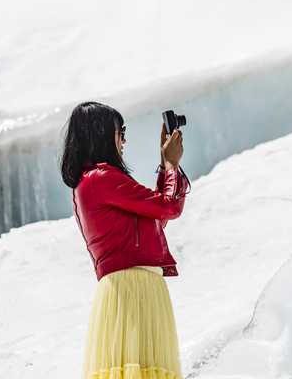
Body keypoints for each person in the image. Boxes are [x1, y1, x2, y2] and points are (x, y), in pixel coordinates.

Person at [59, 101, 189, 379]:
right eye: (121, 132)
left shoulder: (90, 181)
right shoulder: (101, 178)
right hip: (133, 288)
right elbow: (169, 207)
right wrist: (170, 166)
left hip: (128, 287)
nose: (124, 140)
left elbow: (155, 215)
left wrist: (167, 167)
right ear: (102, 134)